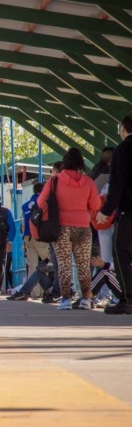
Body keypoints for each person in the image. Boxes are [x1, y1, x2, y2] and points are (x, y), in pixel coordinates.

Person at [39, 148, 101, 310]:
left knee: (64, 264)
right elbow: (96, 205)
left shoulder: (54, 181)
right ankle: (86, 299)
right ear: (80, 163)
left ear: (64, 162)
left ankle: (65, 299)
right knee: (83, 265)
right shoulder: (88, 181)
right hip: (83, 227)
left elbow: (40, 202)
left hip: (61, 227)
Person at [97, 115, 132, 314]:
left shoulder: (123, 149)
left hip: (129, 212)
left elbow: (117, 183)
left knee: (120, 252)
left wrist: (106, 210)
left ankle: (127, 298)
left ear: (123, 130)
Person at [21, 182, 50, 297]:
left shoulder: (25, 205)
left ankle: (35, 293)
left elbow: (23, 224)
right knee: (48, 263)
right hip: (41, 236)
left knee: (32, 265)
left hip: (28, 236)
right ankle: (48, 290)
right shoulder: (44, 202)